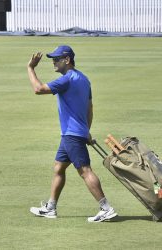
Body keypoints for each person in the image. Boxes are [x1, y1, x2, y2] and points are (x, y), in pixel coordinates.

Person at [27, 45, 118, 222]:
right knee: (59, 168)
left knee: (85, 171)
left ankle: (106, 208)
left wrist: (30, 68)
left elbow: (38, 89)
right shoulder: (84, 79)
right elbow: (89, 108)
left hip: (71, 134)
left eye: (57, 59)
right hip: (75, 133)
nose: (53, 62)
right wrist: (86, 131)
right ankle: (51, 208)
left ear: (67, 60)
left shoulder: (67, 80)